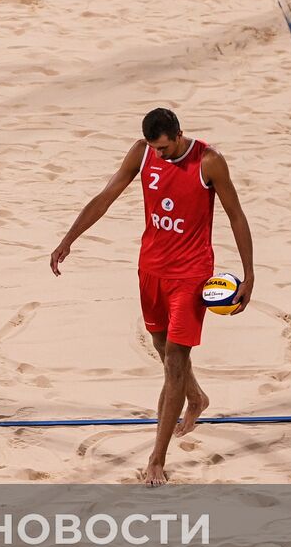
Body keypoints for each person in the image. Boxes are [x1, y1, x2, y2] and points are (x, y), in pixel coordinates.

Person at [49, 108, 255, 486]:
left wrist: (249, 273)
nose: (158, 155)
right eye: (153, 148)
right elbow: (105, 196)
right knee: (163, 350)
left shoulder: (209, 162)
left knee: (175, 361)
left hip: (190, 276)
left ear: (178, 133)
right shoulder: (142, 152)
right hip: (151, 270)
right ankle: (196, 398)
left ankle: (157, 458)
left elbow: (236, 215)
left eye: (163, 148)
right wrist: (68, 239)